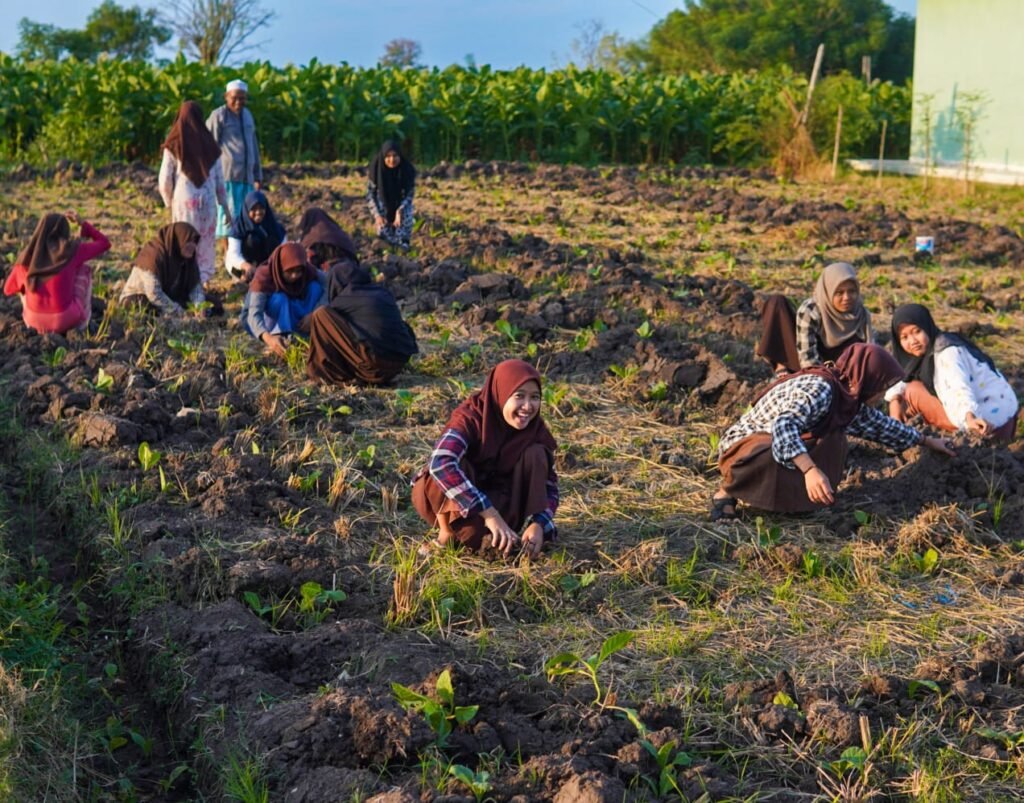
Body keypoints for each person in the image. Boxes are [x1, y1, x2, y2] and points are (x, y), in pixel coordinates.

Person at [710, 343, 956, 519]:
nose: (882, 395)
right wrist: (810, 470)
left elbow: (880, 426)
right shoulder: (822, 389)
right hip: (743, 448)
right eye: (881, 387)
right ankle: (726, 492)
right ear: (867, 378)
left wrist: (926, 440)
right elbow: (783, 426)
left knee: (833, 439)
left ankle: (794, 503)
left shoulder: (846, 397)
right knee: (800, 449)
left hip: (773, 441)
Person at [411, 360, 559, 558]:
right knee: (452, 465)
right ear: (501, 393)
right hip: (462, 502)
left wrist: (539, 523)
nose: (527, 406)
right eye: (519, 396)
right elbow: (440, 464)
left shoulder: (534, 430)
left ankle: (494, 532)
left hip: (501, 502)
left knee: (537, 454)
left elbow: (549, 486)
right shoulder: (471, 418)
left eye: (535, 397)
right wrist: (489, 513)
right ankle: (446, 533)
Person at [886, 303, 1019, 442]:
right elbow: (902, 377)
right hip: (1005, 420)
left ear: (927, 327)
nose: (913, 341)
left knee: (913, 391)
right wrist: (895, 400)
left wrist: (970, 418)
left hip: (986, 427)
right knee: (904, 391)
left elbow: (959, 387)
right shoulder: (928, 352)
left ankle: (910, 438)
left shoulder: (946, 353)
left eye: (917, 331)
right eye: (904, 337)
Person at [307, 261, 418, 385]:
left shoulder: (343, 300)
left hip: (373, 368)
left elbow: (328, 327)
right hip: (398, 365)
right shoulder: (383, 292)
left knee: (320, 314)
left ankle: (325, 373)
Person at [757, 262, 874, 375]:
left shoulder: (861, 313)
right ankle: (782, 364)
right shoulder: (811, 310)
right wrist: (823, 376)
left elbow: (870, 353)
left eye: (852, 291)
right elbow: (807, 360)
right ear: (828, 292)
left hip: (843, 372)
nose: (847, 297)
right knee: (776, 302)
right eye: (839, 293)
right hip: (808, 364)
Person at [4, 211, 110, 334]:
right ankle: (82, 325)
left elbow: (7, 289)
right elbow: (104, 243)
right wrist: (83, 224)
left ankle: (36, 318)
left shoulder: (27, 258)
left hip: (33, 322)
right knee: (83, 269)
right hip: (65, 319)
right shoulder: (73, 251)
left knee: (25, 282)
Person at [158, 100, 228, 284]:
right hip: (208, 203)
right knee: (205, 244)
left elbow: (164, 181)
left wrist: (168, 203)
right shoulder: (210, 145)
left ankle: (184, 283)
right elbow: (220, 181)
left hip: (184, 203)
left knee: (184, 242)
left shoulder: (173, 145)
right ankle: (202, 283)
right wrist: (225, 206)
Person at [240, 242, 325, 359]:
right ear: (280, 268)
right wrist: (268, 338)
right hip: (267, 321)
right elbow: (254, 315)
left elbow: (328, 283)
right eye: (289, 271)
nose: (294, 276)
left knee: (315, 287)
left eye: (298, 271)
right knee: (280, 298)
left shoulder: (308, 270)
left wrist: (315, 314)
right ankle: (283, 336)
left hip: (295, 311)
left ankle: (305, 332)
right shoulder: (263, 277)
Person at [207, 79, 263, 252]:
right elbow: (209, 145)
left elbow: (254, 145)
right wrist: (209, 175)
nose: (238, 102)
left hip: (247, 178)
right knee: (227, 219)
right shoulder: (219, 116)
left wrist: (257, 174)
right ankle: (228, 255)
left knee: (245, 218)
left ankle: (240, 254)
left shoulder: (248, 116)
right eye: (234, 98)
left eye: (242, 98)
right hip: (227, 177)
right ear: (226, 97)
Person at [120, 222, 204, 316]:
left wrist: (199, 307)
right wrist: (179, 312)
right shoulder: (153, 255)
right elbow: (153, 293)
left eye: (194, 242)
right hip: (143, 296)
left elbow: (195, 287)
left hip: (169, 297)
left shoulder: (188, 258)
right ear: (178, 240)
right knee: (142, 305)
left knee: (212, 303)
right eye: (189, 241)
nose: (193, 245)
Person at [226, 190, 286, 281]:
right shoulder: (239, 226)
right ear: (247, 209)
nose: (258, 212)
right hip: (243, 265)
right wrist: (246, 266)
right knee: (241, 274)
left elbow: (285, 249)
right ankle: (242, 279)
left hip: (267, 264)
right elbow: (233, 255)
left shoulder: (273, 226)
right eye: (253, 209)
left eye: (261, 208)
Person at [366, 140, 415, 249]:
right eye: (388, 156)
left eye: (395, 156)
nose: (392, 160)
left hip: (400, 207)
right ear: (383, 157)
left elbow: (409, 195)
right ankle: (386, 243)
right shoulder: (376, 170)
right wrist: (377, 216)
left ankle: (403, 243)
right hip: (382, 209)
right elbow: (370, 196)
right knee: (383, 231)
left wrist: (400, 210)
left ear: (400, 156)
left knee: (407, 212)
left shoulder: (406, 170)